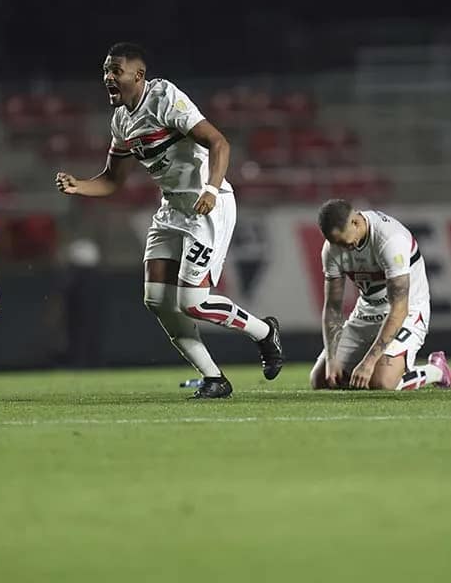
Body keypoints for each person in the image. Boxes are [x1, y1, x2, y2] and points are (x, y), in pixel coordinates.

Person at [54, 42, 282, 399]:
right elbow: (113, 180)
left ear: (138, 75)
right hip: (172, 209)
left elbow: (218, 142)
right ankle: (214, 378)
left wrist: (210, 187)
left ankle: (264, 333)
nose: (108, 77)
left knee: (193, 302)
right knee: (157, 299)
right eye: (105, 71)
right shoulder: (121, 120)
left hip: (208, 204)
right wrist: (79, 185)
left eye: (115, 70)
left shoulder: (164, 98)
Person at [311, 200, 451, 391]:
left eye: (346, 243)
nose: (343, 249)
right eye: (337, 244)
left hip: (408, 312)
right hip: (366, 312)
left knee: (381, 383)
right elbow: (333, 308)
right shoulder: (332, 249)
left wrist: (368, 362)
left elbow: (400, 308)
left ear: (356, 222)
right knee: (320, 380)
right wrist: (332, 359)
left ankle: (437, 370)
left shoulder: (390, 240)